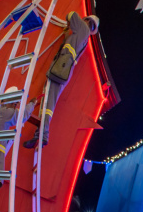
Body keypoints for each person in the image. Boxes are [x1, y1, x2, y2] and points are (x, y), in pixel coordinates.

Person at [24, 11, 99, 149]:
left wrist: (70, 22)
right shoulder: (84, 38)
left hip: (60, 67)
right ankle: (40, 134)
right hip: (64, 69)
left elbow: (70, 14)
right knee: (48, 102)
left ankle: (43, 134)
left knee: (48, 102)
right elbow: (68, 45)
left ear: (87, 21)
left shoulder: (83, 27)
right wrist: (67, 33)